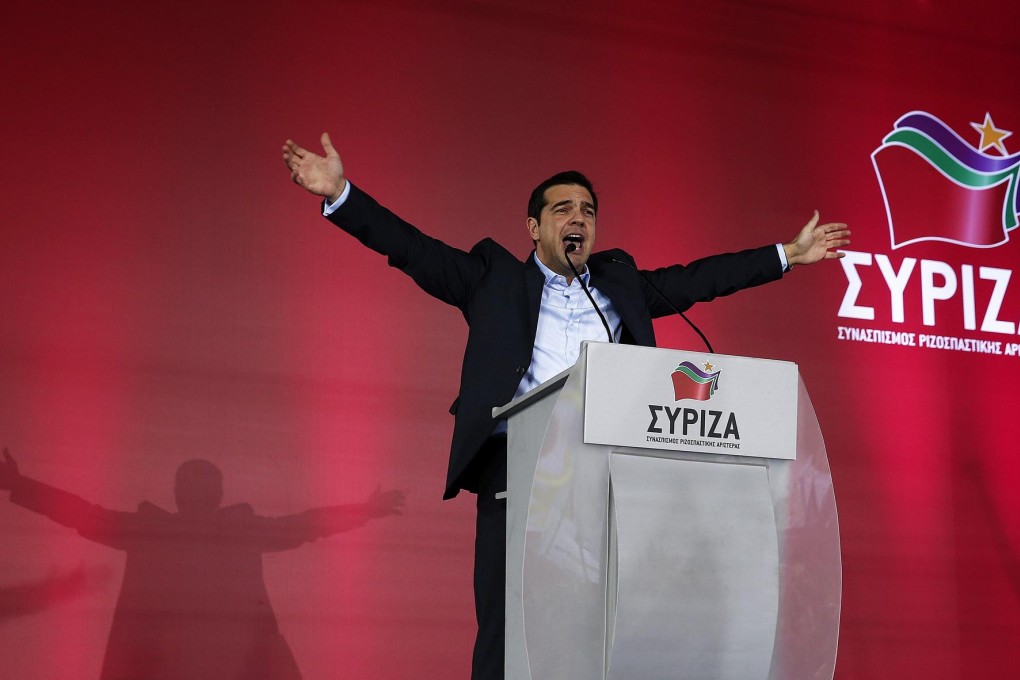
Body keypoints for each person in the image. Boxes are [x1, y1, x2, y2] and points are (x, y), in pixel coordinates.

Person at [282, 133, 850, 680]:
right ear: (534, 227)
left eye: (587, 210)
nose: (577, 218)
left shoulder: (619, 285)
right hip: (518, 473)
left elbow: (698, 280)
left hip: (611, 482)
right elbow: (411, 249)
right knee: (507, 634)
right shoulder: (492, 279)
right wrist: (341, 194)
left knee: (603, 629)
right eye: (562, 209)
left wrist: (787, 255)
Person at [0, 448, 405, 680]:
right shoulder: (232, 530)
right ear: (217, 493)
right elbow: (305, 525)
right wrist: (364, 510)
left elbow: (80, 513)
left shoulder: (153, 530)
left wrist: (21, 485)